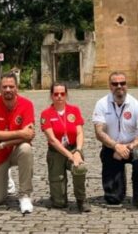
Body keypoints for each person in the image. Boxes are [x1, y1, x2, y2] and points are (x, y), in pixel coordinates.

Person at [93, 71, 138, 210]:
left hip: (133, 147)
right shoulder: (101, 104)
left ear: (127, 85)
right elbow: (99, 132)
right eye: (115, 84)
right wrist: (116, 146)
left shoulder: (136, 105)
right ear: (110, 86)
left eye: (122, 83)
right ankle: (118, 184)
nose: (119, 86)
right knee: (113, 199)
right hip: (111, 148)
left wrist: (128, 147)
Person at [0, 73, 35, 214]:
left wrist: (2, 144)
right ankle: (5, 177)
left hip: (10, 150)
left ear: (16, 88)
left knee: (26, 148)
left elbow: (28, 136)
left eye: (11, 86)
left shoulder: (27, 104)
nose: (7, 89)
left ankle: (25, 196)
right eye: (4, 86)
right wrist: (20, 133)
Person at [40, 83, 89, 212]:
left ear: (66, 95)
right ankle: (57, 196)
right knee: (59, 203)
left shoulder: (74, 110)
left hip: (73, 148)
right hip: (56, 152)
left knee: (80, 167)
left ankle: (81, 199)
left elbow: (79, 132)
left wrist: (78, 151)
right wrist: (69, 155)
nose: (59, 97)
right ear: (51, 96)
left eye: (62, 93)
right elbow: (52, 139)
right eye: (56, 94)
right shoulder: (46, 114)